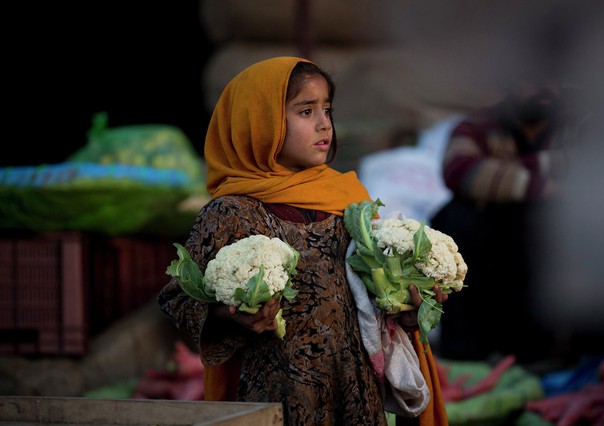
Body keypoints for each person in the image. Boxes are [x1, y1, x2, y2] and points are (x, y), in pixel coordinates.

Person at [158, 56, 449, 426]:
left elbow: (375, 300)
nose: (324, 123)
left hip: (356, 394)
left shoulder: (349, 202)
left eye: (326, 109)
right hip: (275, 399)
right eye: (305, 111)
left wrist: (407, 307)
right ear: (258, 123)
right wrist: (233, 317)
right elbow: (177, 300)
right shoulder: (231, 212)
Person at [430, 78, 576, 364]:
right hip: (499, 241)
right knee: (455, 216)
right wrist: (546, 181)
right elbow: (461, 171)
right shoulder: (479, 127)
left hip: (557, 240)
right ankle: (467, 353)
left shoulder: (577, 123)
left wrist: (504, 176)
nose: (545, 87)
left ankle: (570, 350)